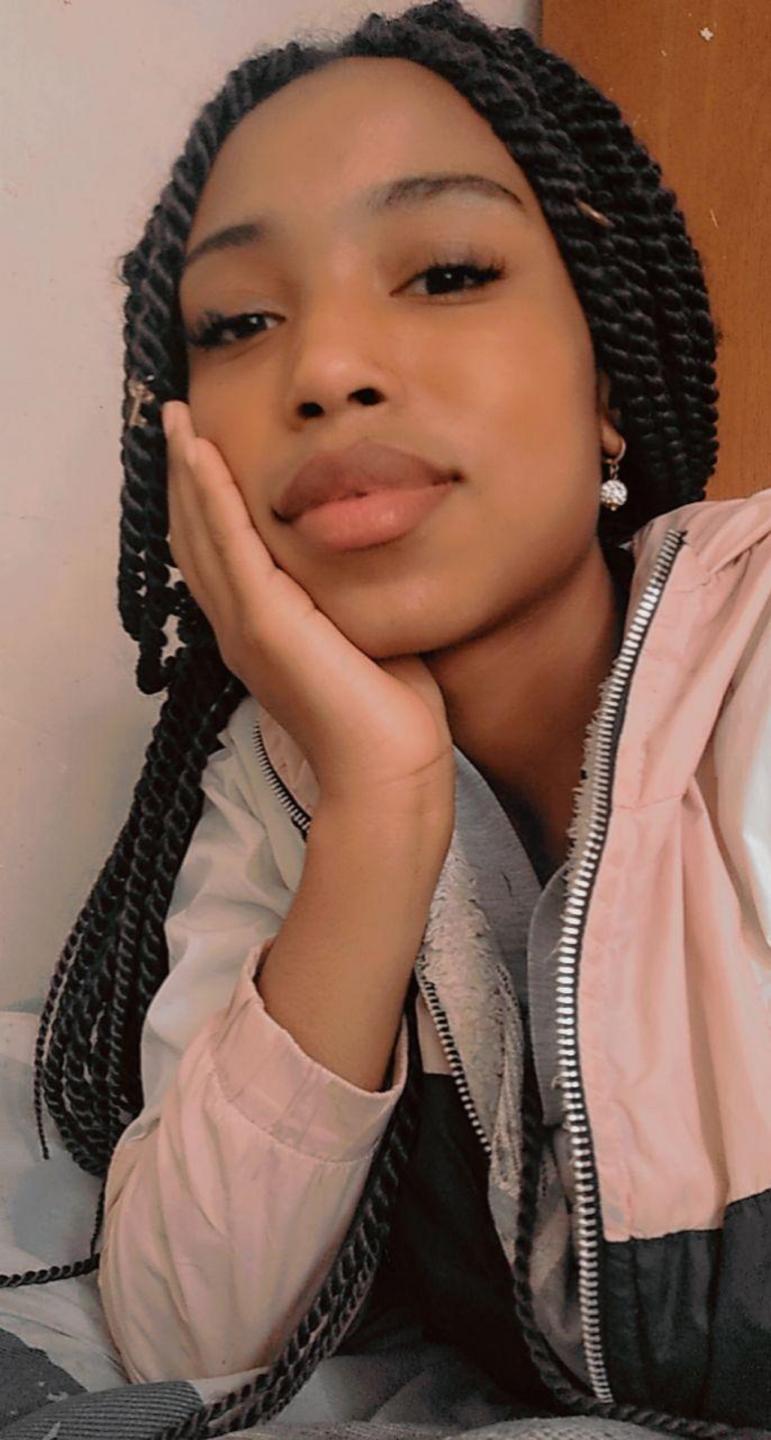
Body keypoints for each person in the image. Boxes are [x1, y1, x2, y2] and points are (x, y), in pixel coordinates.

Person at [6, 1, 770, 1437]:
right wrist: (382, 803)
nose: (324, 370)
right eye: (241, 324)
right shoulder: (281, 782)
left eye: (447, 272)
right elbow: (191, 1331)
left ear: (608, 377)